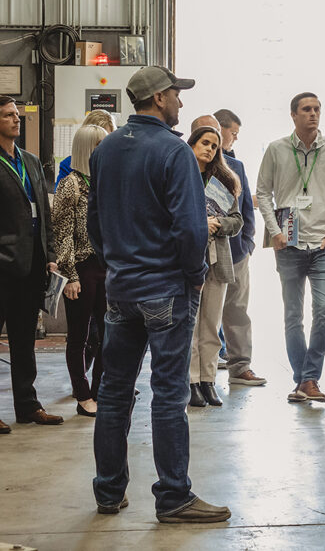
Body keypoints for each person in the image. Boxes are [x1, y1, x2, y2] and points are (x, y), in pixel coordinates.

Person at [88, 65, 230, 522]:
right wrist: (193, 275)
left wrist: (115, 265)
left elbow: (95, 222)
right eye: (176, 94)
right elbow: (189, 228)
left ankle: (108, 492)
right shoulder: (174, 152)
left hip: (121, 290)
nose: (181, 103)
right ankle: (173, 497)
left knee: (114, 392)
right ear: (158, 98)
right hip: (166, 289)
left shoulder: (106, 148)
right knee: (168, 395)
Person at [255, 92, 325, 403]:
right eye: (306, 110)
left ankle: (310, 377)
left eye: (317, 109)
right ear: (293, 115)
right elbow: (262, 193)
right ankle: (303, 379)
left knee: (324, 311)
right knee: (293, 315)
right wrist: (274, 232)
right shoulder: (277, 149)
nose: (313, 114)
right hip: (289, 245)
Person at [0, 95, 63, 433]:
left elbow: (46, 214)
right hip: (3, 267)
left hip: (32, 266)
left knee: (25, 341)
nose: (16, 120)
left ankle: (27, 406)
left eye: (17, 115)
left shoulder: (31, 161)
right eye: (8, 115)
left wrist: (51, 255)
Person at [53, 123, 108, 418]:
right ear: (88, 148)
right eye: (100, 145)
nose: (104, 150)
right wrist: (70, 275)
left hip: (106, 267)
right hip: (82, 267)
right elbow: (62, 233)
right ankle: (82, 394)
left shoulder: (104, 182)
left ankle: (100, 390)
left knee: (108, 333)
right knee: (79, 336)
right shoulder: (70, 184)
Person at [186, 124, 242, 408]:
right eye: (205, 143)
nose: (209, 149)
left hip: (217, 261)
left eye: (215, 146)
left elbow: (237, 220)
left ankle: (208, 381)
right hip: (187, 261)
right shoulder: (180, 176)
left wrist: (217, 223)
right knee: (192, 326)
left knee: (211, 324)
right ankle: (192, 381)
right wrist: (199, 224)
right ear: (193, 143)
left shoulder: (222, 180)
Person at [212, 109, 266, 387]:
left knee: (237, 310)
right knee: (204, 318)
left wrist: (247, 244)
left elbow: (246, 211)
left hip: (236, 251)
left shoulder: (238, 166)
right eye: (233, 133)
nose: (234, 139)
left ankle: (240, 366)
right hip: (203, 253)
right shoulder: (189, 162)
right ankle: (202, 374)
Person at [54, 109, 114, 190]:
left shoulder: (115, 164)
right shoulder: (69, 165)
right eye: (98, 142)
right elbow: (59, 197)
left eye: (107, 140)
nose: (103, 147)